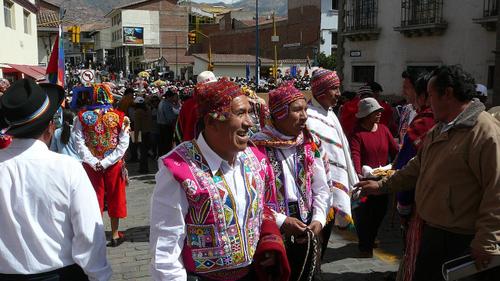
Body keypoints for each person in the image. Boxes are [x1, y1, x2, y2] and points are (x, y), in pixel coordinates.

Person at [356, 65, 500, 281]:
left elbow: (496, 190)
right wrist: (381, 185)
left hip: (463, 239)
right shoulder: (439, 129)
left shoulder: (484, 132)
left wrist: (487, 240)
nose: (428, 101)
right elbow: (415, 167)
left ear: (448, 94)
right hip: (433, 233)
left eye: (431, 95)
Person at [150, 79, 290, 281]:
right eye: (240, 113)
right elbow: (165, 247)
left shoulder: (255, 160)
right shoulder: (179, 168)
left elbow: (259, 209)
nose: (250, 122)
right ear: (211, 122)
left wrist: (279, 226)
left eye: (249, 112)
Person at [0, 79, 111, 280]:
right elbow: (89, 235)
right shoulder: (67, 168)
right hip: (61, 274)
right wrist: (99, 276)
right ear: (50, 127)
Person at [252, 82, 330, 281]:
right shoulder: (255, 147)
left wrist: (319, 219)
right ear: (279, 113)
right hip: (271, 229)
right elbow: (252, 198)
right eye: (297, 110)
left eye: (305, 109)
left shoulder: (310, 143)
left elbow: (321, 187)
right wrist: (281, 221)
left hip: (307, 224)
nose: (304, 116)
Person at [308, 69, 359, 256]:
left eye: (339, 88)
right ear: (321, 91)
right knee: (315, 248)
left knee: (323, 245)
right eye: (334, 89)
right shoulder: (310, 118)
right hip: (317, 196)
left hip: (330, 196)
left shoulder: (329, 114)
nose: (339, 94)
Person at [74, 83, 130, 247]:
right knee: (116, 197)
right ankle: (114, 234)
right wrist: (106, 162)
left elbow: (79, 143)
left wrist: (93, 161)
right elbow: (123, 144)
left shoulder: (82, 117)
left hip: (92, 166)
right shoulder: (120, 116)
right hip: (113, 165)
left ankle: (96, 234)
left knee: (93, 199)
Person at [349, 97, 399, 258]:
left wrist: (398, 166)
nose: (379, 114)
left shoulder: (384, 129)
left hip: (383, 180)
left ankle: (370, 238)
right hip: (364, 181)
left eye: (379, 111)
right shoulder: (356, 133)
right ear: (366, 114)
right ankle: (365, 245)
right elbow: (355, 154)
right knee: (364, 214)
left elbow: (395, 150)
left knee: (380, 212)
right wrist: (358, 175)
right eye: (375, 112)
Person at [175, 71, 217, 142]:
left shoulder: (187, 104)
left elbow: (179, 129)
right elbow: (179, 128)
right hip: (194, 147)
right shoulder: (188, 104)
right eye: (209, 86)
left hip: (193, 147)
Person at [132, 96, 152, 173]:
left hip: (141, 133)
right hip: (147, 132)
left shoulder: (138, 112)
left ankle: (143, 169)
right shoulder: (148, 110)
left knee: (142, 152)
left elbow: (137, 126)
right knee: (145, 152)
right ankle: (145, 168)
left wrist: (135, 138)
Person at [157, 88, 179, 156]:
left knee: (162, 143)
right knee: (166, 144)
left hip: (160, 125)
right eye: (172, 97)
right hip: (166, 126)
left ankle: (161, 156)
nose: (173, 99)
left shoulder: (162, 102)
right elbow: (170, 118)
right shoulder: (167, 104)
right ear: (169, 97)